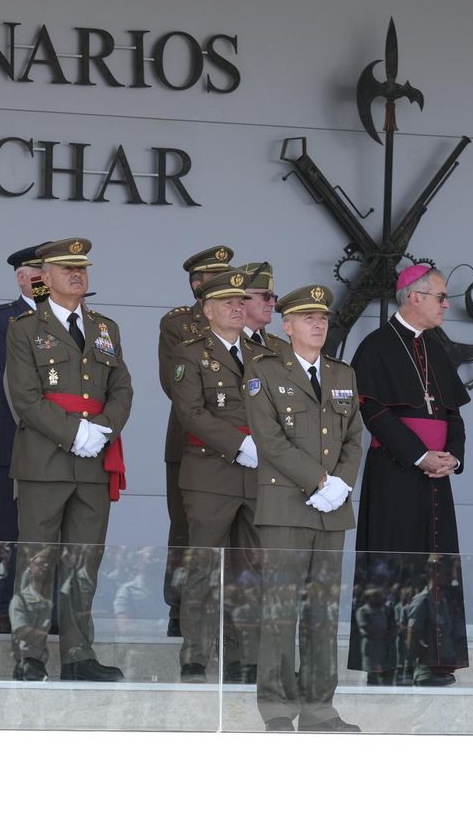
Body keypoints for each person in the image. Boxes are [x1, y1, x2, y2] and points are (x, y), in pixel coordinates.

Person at [5, 237, 132, 682]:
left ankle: (78, 655)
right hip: (45, 461)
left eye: (82, 268)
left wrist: (103, 430)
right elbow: (23, 396)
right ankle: (30, 655)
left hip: (93, 461)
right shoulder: (24, 328)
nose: (77, 275)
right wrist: (73, 431)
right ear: (45, 277)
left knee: (84, 562)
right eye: (66, 269)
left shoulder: (104, 328)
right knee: (37, 562)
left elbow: (121, 389)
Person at [243, 284, 364, 732]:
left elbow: (354, 437)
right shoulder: (264, 371)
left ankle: (319, 708)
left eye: (324, 318)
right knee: (280, 608)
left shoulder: (342, 374)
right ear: (287, 325)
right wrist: (318, 480)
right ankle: (276, 708)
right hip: (287, 504)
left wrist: (342, 484)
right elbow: (268, 438)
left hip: (332, 507)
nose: (319, 324)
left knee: (323, 609)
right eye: (308, 318)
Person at [347, 265, 472, 687]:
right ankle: (389, 663)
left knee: (435, 565)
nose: (446, 304)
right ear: (413, 297)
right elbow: (375, 413)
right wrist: (420, 456)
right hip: (397, 471)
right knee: (394, 561)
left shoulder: (437, 349)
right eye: (440, 296)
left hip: (437, 476)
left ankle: (432, 660)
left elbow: (453, 412)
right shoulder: (376, 347)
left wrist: (452, 456)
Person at [165, 269, 261, 684]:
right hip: (210, 472)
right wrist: (239, 444)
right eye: (227, 303)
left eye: (241, 302)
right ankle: (196, 656)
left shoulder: (265, 352)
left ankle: (247, 657)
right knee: (203, 566)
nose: (237, 308)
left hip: (258, 475)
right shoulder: (190, 352)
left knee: (251, 567)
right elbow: (191, 411)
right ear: (207, 311)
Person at [159, 245, 235, 637]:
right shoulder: (179, 325)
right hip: (192, 441)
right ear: (197, 285)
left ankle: (224, 609)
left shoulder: (244, 324)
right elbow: (176, 387)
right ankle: (180, 609)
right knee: (187, 527)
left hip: (243, 448)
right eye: (214, 278)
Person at [0, 244, 43, 633]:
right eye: (35, 270)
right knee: (8, 529)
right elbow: (1, 382)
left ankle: (42, 608)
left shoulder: (74, 319)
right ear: (21, 277)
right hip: (14, 440)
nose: (42, 276)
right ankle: (2, 610)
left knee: (48, 533)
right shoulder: (3, 319)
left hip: (60, 446)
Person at [240, 262, 289, 355]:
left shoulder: (282, 348)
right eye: (265, 296)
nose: (272, 303)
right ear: (242, 298)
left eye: (273, 297)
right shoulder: (227, 343)